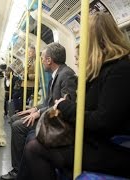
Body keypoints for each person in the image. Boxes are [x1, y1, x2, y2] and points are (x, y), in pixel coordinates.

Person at [17, 12, 130, 179]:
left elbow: (103, 121)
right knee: (34, 143)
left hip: (113, 148)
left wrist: (63, 106)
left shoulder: (120, 71)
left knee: (34, 148)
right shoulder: (97, 72)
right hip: (94, 141)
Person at [0, 42, 77, 180]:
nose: (41, 61)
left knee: (18, 127)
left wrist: (38, 113)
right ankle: (25, 164)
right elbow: (48, 102)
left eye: (42, 58)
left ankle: (17, 170)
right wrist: (35, 109)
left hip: (57, 120)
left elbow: (66, 104)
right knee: (14, 118)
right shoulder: (56, 74)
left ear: (49, 60)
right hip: (49, 114)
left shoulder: (67, 75)